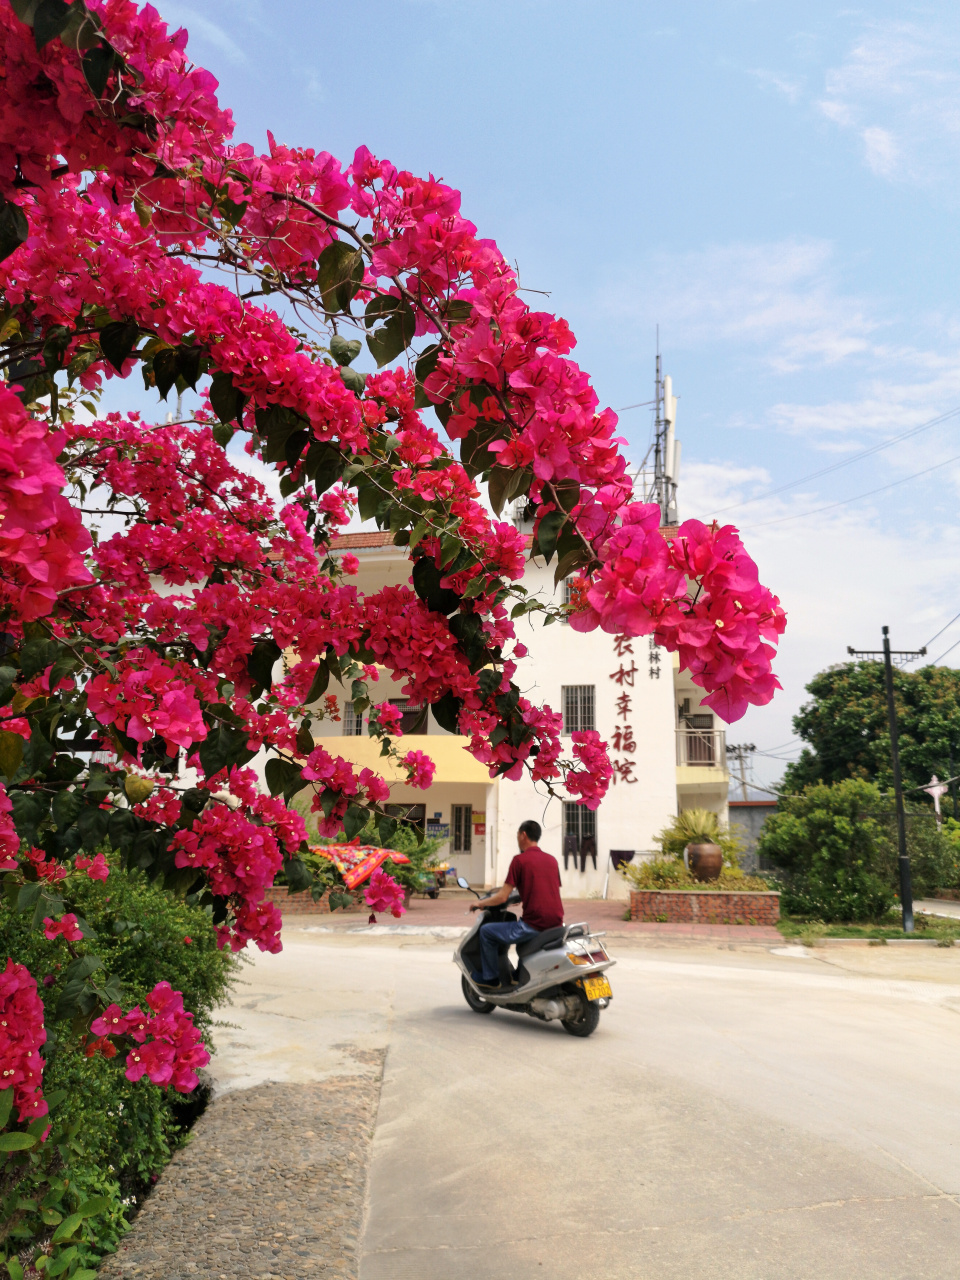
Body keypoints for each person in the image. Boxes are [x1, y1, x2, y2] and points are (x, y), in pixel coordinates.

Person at [469, 820, 564, 991]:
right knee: (524, 941)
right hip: (556, 924)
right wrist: (523, 896)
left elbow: (502, 896)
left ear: (523, 835)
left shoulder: (519, 860)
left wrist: (480, 903)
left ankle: (490, 978)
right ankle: (518, 974)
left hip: (534, 924)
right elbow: (546, 888)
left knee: (486, 932)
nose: (517, 839)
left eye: (517, 835)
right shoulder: (552, 860)